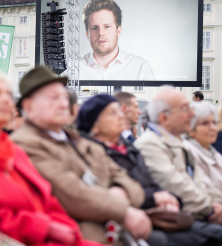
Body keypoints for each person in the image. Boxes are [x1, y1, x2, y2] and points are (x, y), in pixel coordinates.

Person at [11, 66, 166, 245]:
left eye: (64, 97)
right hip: (86, 235)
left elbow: (127, 179)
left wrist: (121, 191)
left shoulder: (78, 141)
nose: (63, 104)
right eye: (54, 98)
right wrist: (124, 210)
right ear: (29, 107)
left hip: (114, 230)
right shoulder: (26, 144)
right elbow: (74, 195)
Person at [0, 71, 104, 246]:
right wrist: (46, 227)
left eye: (9, 94)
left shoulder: (14, 151)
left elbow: (48, 201)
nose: (6, 100)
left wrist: (67, 232)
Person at [76, 94, 222, 246]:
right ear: (95, 125)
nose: (121, 116)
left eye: (120, 111)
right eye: (114, 113)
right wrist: (157, 197)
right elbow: (115, 191)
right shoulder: (93, 151)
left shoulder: (128, 147)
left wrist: (168, 197)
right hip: (134, 219)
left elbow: (153, 182)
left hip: (163, 213)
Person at [134, 86, 222, 223]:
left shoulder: (177, 143)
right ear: (164, 117)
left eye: (214, 123)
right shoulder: (151, 144)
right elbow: (176, 184)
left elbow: (197, 185)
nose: (192, 114)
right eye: (185, 108)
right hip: (185, 218)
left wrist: (215, 204)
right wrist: (210, 208)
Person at [79, 0, 154, 81]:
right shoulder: (73, 68)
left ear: (118, 31)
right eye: (94, 28)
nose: (100, 33)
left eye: (107, 26)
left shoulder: (141, 67)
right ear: (87, 34)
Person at [184, 102, 222, 194]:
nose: (213, 127)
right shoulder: (188, 152)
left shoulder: (212, 152)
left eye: (214, 122)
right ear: (190, 128)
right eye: (205, 123)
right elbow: (206, 190)